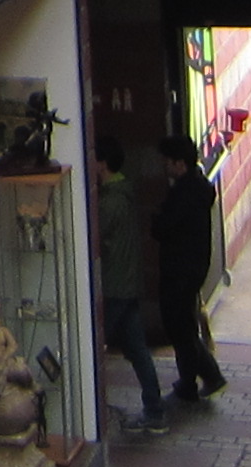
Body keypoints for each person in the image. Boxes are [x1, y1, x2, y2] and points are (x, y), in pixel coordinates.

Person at [93, 139, 168, 436]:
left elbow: (95, 238)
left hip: (115, 286)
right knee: (137, 350)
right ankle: (155, 411)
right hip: (127, 283)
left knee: (96, 349)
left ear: (102, 163)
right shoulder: (123, 193)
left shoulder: (109, 202)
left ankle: (93, 414)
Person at [151, 134, 226, 403]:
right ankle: (199, 377)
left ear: (179, 163)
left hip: (180, 269)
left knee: (180, 326)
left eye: (167, 162)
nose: (164, 166)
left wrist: (156, 219)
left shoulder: (184, 194)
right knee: (183, 325)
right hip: (192, 266)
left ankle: (197, 378)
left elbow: (164, 227)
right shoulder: (197, 187)